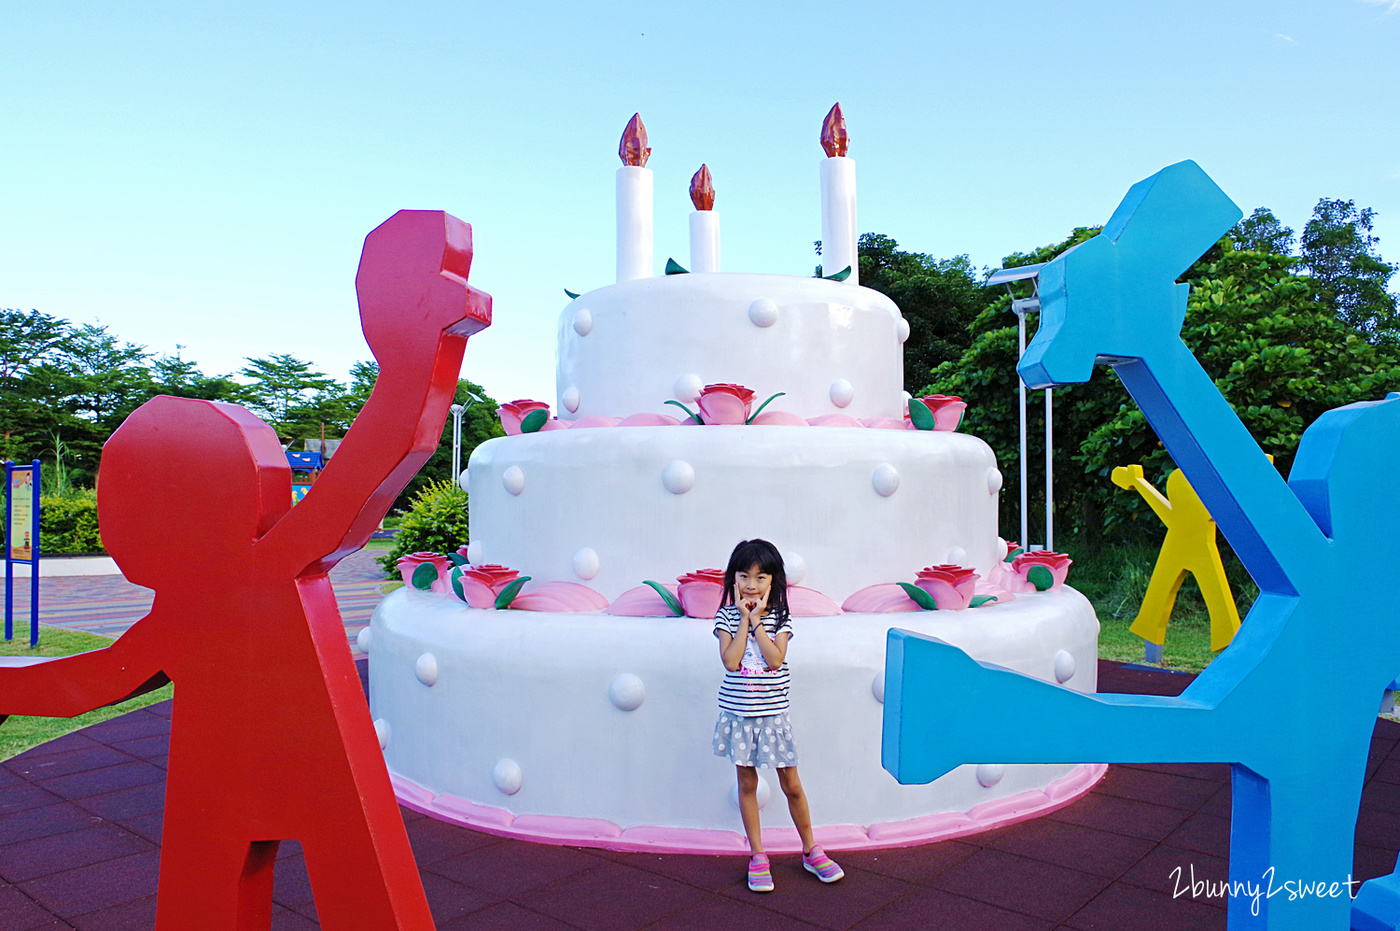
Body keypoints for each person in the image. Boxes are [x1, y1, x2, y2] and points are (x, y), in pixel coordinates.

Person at [712, 538, 844, 892]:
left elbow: (774, 659)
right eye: (744, 576)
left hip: (773, 719)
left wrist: (758, 622)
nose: (751, 585)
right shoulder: (725, 617)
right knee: (747, 784)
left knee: (792, 785)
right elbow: (731, 660)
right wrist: (743, 619)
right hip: (740, 717)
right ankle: (758, 855)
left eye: (761, 577)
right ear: (733, 579)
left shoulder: (782, 618)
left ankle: (810, 849)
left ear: (774, 583)